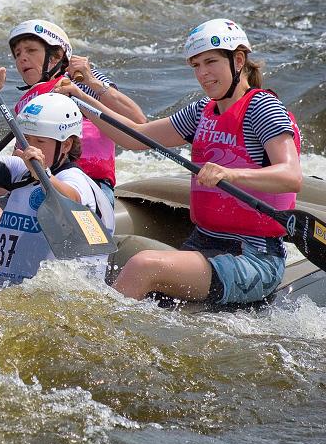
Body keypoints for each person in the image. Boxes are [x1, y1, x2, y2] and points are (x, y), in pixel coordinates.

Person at [54, 18, 302, 305]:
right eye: (196, 65)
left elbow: (290, 175)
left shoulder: (262, 107)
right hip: (204, 242)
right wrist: (82, 97)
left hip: (254, 256)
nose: (203, 73)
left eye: (211, 62)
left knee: (143, 265)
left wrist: (232, 175)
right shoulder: (202, 111)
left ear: (238, 60)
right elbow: (137, 137)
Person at [0, 19, 145, 278]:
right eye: (18, 54)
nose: (22, 59)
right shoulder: (27, 105)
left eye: (31, 50)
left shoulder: (82, 81)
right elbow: (18, 172)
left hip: (86, 191)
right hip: (31, 184)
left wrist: (90, 86)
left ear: (56, 56)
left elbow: (138, 124)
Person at [0, 81, 115, 286]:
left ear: (67, 144)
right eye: (26, 139)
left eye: (41, 141)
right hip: (13, 291)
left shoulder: (77, 181)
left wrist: (42, 173)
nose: (30, 148)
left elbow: (69, 197)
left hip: (57, 298)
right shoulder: (20, 170)